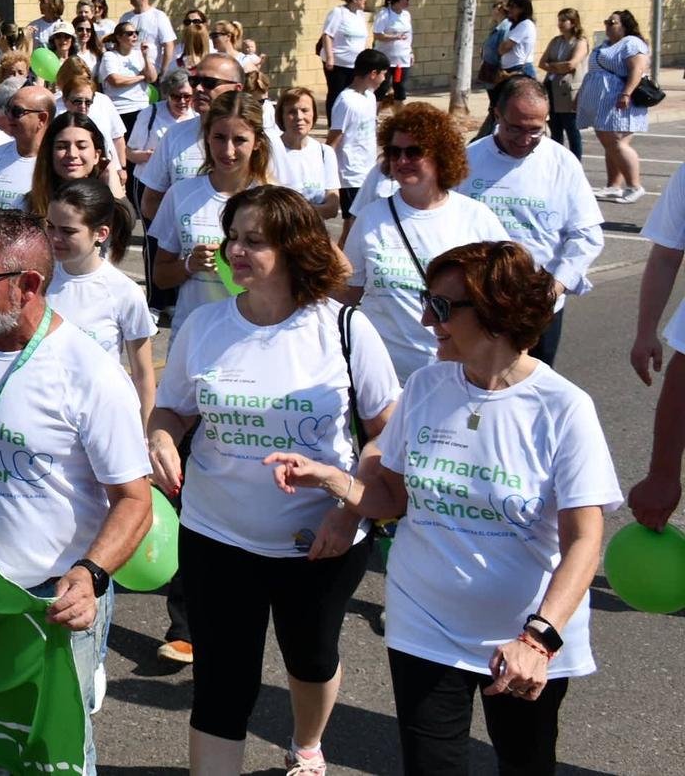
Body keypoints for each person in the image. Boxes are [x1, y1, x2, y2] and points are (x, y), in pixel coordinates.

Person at [268, 242, 617, 775]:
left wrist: (539, 637)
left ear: (498, 312)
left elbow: (585, 541)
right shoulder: (427, 386)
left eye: (444, 308)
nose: (426, 318)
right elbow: (394, 499)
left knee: (526, 763)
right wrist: (336, 481)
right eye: (427, 301)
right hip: (424, 621)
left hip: (522, 635)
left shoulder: (562, 408)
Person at [149, 186, 400, 776]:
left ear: (293, 249)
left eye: (254, 241)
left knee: (310, 659)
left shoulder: (342, 328)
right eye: (232, 237)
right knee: (221, 680)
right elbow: (174, 410)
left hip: (320, 539)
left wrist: (348, 507)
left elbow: (389, 433)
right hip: (216, 533)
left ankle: (307, 743)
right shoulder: (205, 326)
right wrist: (160, 435)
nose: (235, 251)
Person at [0, 208, 153, 776]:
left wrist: (92, 575)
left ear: (30, 285)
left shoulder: (88, 373)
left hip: (49, 601)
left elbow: (135, 500)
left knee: (58, 755)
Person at [341, 104, 510, 382]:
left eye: (414, 151)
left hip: (455, 373)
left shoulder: (476, 219)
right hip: (381, 376)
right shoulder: (371, 219)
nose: (402, 160)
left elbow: (505, 297)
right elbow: (347, 295)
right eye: (395, 152)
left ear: (441, 155)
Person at [457, 78, 603, 366]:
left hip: (538, 304)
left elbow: (587, 235)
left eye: (536, 130)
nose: (525, 139)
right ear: (497, 115)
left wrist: (555, 287)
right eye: (515, 128)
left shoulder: (562, 163)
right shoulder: (468, 160)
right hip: (477, 300)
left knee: (531, 389)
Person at [151, 91, 273, 330]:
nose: (228, 151)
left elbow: (330, 269)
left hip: (253, 337)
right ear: (206, 137)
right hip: (193, 334)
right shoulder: (180, 194)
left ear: (257, 141)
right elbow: (160, 277)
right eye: (219, 137)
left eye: (239, 140)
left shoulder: (274, 199)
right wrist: (189, 264)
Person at [46, 177, 156, 421]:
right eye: (50, 226)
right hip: (43, 415)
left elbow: (143, 374)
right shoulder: (38, 278)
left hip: (99, 417)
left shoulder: (124, 292)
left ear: (101, 233)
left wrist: (147, 434)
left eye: (68, 231)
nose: (54, 238)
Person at [137, 54, 246, 222]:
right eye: (195, 81)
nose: (199, 89)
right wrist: (185, 233)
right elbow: (150, 203)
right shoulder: (174, 135)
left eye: (209, 83)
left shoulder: (260, 139)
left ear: (237, 89)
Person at [577, 9, 651, 203]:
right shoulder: (606, 44)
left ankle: (634, 186)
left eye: (613, 22)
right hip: (602, 102)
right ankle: (613, 186)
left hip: (618, 100)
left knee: (617, 142)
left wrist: (626, 93)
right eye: (606, 22)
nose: (608, 25)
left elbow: (637, 69)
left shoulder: (632, 43)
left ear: (625, 25)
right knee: (610, 144)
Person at [326, 49, 388, 227]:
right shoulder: (346, 102)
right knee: (352, 226)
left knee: (363, 223)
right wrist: (327, 175)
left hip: (368, 171)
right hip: (351, 175)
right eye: (383, 74)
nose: (384, 79)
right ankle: (341, 254)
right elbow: (333, 141)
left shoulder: (369, 96)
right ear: (373, 73)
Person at [0, 82, 53, 212]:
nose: (9, 116)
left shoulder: (56, 162)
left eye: (17, 111)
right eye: (8, 110)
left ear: (42, 119)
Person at [26, 110, 116, 218]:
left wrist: (111, 173)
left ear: (96, 155)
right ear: (50, 153)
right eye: (61, 147)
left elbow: (123, 222)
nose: (72, 154)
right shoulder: (30, 204)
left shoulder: (108, 204)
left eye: (82, 146)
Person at [274, 87, 341, 220]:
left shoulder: (325, 153)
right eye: (291, 112)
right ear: (281, 116)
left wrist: (292, 213)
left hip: (314, 236)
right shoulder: (270, 151)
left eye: (305, 110)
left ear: (314, 114)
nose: (299, 117)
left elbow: (332, 207)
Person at [540, 9, 589, 159]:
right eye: (559, 20)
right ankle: (557, 161)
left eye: (563, 20)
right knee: (555, 130)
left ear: (573, 22)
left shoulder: (580, 42)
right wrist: (557, 67)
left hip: (569, 92)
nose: (559, 24)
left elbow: (571, 65)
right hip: (552, 89)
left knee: (572, 130)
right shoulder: (556, 41)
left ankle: (575, 162)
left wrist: (553, 66)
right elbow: (542, 63)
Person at [317, 0, 371, 114]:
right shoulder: (338, 12)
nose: (365, 0)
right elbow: (327, 35)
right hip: (337, 64)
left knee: (351, 94)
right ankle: (333, 125)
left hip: (355, 64)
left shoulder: (360, 15)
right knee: (337, 93)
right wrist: (330, 57)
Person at [98, 20, 152, 137]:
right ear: (119, 37)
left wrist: (146, 57)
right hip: (121, 110)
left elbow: (152, 77)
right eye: (129, 33)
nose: (134, 36)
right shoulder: (110, 56)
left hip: (141, 107)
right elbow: (115, 81)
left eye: (136, 32)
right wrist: (141, 77)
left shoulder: (139, 54)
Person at [372, 0, 414, 102]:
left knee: (400, 88)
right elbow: (378, 35)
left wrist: (410, 52)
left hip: (402, 58)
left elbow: (408, 36)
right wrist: (395, 37)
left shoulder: (406, 15)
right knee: (382, 87)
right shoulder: (384, 14)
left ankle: (399, 118)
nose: (407, 1)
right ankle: (373, 116)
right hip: (385, 58)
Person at [126, 0, 177, 76]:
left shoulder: (158, 16)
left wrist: (164, 71)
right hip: (130, 74)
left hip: (152, 74)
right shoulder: (126, 17)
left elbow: (169, 45)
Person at [498, 0, 539, 79]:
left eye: (513, 7)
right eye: (509, 6)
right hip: (510, 69)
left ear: (522, 9)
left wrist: (501, 47)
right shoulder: (515, 26)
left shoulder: (525, 24)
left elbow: (504, 48)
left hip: (520, 69)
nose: (510, 9)